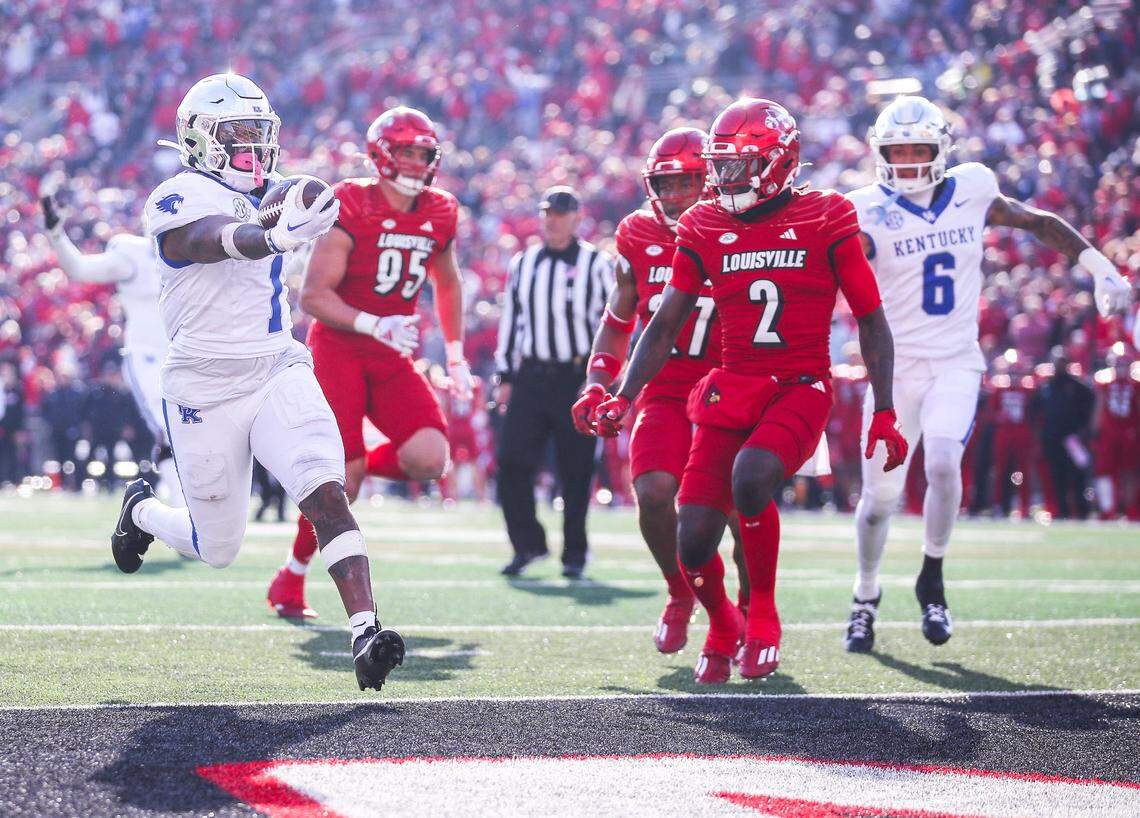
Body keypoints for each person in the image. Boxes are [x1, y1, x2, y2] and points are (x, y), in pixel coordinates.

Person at [592, 99, 906, 684]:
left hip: (798, 384)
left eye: (738, 167)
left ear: (778, 162)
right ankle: (720, 621)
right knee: (691, 540)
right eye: (722, 166)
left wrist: (885, 409)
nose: (723, 179)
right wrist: (625, 392)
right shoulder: (704, 224)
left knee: (752, 478)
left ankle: (762, 611)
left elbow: (870, 315)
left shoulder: (827, 215)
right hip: (729, 385)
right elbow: (662, 322)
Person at [110, 73, 404, 692]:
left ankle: (366, 632)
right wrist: (272, 235)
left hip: (274, 366)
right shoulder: (176, 193)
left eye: (257, 134)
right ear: (198, 139)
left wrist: (308, 205)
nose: (251, 147)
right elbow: (204, 240)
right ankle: (142, 511)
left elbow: (303, 199)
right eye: (235, 134)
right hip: (202, 386)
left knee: (324, 487)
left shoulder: (276, 190)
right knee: (214, 547)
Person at [843, 96, 1133, 652]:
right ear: (880, 152)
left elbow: (1035, 220)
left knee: (947, 459)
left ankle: (931, 575)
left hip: (955, 361)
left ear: (940, 151)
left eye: (917, 150)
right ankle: (866, 593)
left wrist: (1099, 266)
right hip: (894, 370)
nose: (905, 161)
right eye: (896, 150)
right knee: (879, 499)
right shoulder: (862, 208)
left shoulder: (972, 187)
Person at [265, 106, 471, 619]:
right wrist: (374, 323)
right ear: (382, 153)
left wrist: (456, 353)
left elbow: (447, 281)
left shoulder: (442, 209)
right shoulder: (351, 202)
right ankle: (291, 578)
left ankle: (346, 473)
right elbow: (313, 296)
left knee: (429, 457)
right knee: (344, 482)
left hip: (392, 350)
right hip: (340, 345)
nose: (417, 162)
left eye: (425, 153)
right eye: (407, 151)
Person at [571, 127, 748, 654]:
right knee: (650, 493)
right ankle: (679, 594)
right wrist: (598, 381)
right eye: (663, 184)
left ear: (710, 181)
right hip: (665, 387)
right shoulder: (636, 232)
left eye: (685, 183)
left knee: (740, 509)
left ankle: (749, 608)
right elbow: (620, 316)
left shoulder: (737, 223)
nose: (672, 196)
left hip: (730, 385)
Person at [494, 186, 614, 579]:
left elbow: (611, 323)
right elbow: (511, 322)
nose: (552, 219)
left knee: (577, 468)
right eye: (548, 212)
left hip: (576, 377)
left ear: (577, 218)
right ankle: (528, 543)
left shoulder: (598, 265)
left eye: (560, 213)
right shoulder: (524, 263)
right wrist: (506, 376)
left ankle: (574, 553)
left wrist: (601, 377)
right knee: (511, 461)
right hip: (531, 374)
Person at [41, 193, 184, 505]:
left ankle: (184, 503)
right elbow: (80, 268)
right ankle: (179, 505)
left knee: (191, 428)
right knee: (169, 424)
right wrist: (57, 235)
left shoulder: (194, 256)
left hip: (186, 354)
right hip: (147, 354)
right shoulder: (133, 255)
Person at [1092, 353, 1138, 519]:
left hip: (1129, 433)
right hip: (1109, 434)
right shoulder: (1104, 382)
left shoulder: (1135, 384)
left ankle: (1131, 509)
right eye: (1118, 364)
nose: (1121, 368)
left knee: (1130, 472)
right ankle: (1107, 509)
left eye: (1124, 364)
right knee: (1105, 471)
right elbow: (1100, 406)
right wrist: (1095, 430)